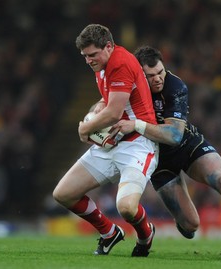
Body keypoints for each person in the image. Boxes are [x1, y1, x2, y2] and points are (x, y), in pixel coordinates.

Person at [114, 45, 221, 256]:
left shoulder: (175, 85)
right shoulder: (128, 90)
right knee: (190, 227)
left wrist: (136, 125)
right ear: (139, 75)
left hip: (187, 146)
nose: (158, 79)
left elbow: (174, 136)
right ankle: (181, 220)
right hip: (158, 162)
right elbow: (106, 106)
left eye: (160, 72)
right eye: (151, 76)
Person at [53, 24, 159, 257]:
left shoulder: (120, 62)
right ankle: (109, 232)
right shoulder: (101, 64)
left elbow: (113, 113)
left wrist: (86, 127)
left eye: (93, 55)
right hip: (111, 142)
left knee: (126, 208)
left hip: (137, 143)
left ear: (109, 46)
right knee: (63, 194)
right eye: (85, 56)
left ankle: (145, 234)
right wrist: (99, 106)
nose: (89, 60)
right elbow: (109, 102)